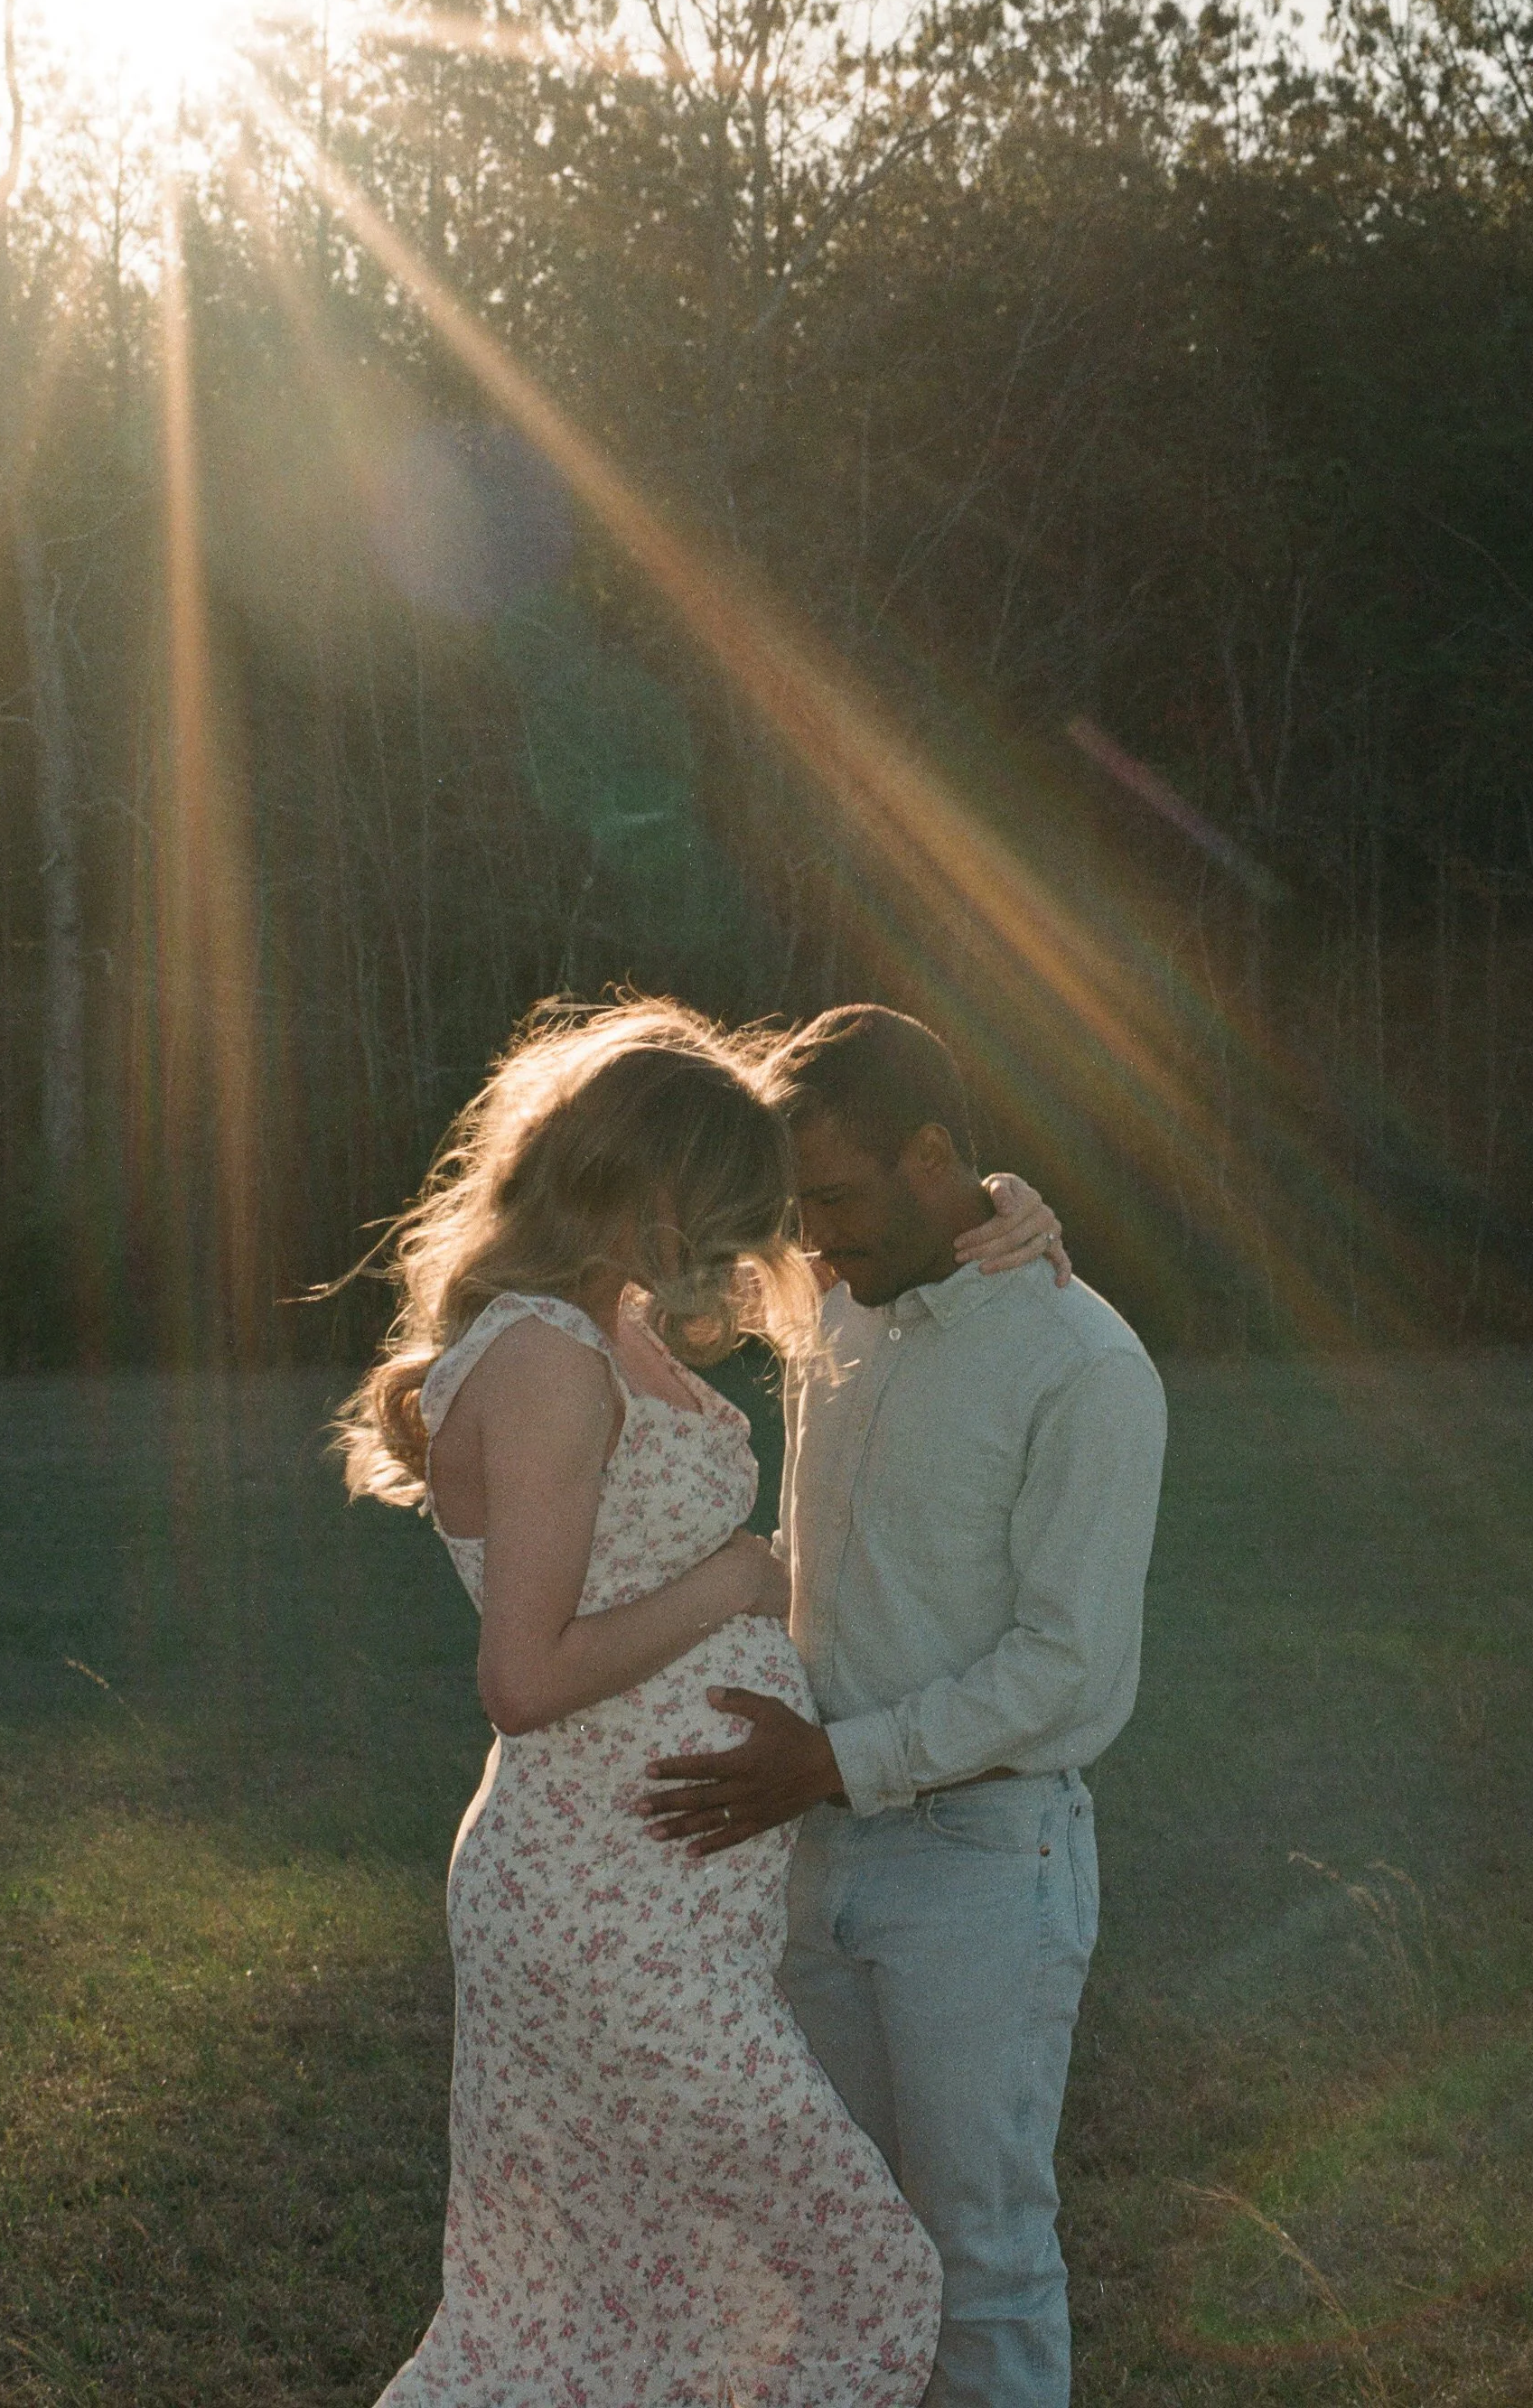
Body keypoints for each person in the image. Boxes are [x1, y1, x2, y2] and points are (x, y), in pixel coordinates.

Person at [340, 996, 1062, 2408]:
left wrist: (1009, 1208)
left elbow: (872, 1291)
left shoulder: (584, 1328)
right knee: (860, 2271)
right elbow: (522, 1676)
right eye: (735, 1216)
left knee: (622, 2305)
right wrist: (732, 1583)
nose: (754, 1254)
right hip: (602, 1915)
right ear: (651, 1194)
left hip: (655, 1898)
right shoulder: (547, 1356)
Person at [640, 1004, 1166, 2408]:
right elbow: (619, 1294)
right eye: (794, 1205)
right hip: (809, 1856)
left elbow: (1062, 1663)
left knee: (979, 2261)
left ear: (935, 1155)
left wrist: (832, 1762)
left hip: (982, 1871)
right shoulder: (839, 1314)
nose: (808, 1240)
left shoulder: (1082, 1366)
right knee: (832, 2248)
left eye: (834, 1198)